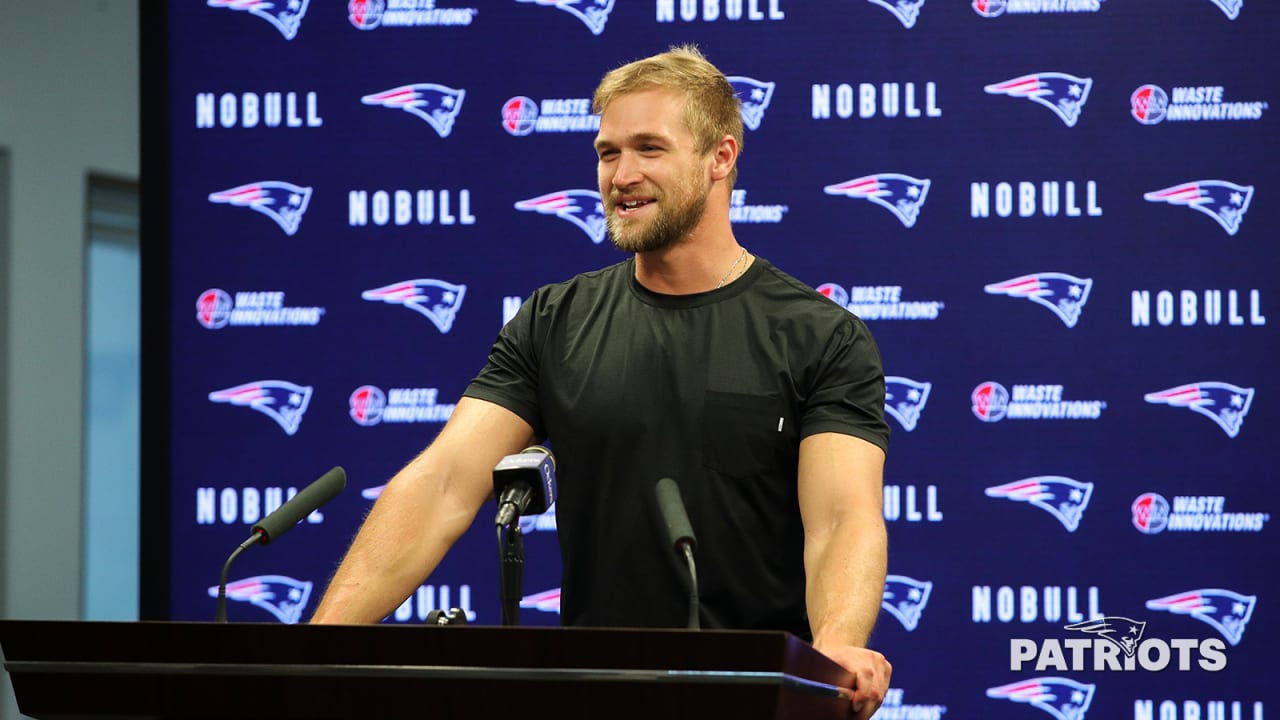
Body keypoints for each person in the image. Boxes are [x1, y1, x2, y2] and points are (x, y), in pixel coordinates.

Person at [312, 44, 892, 718]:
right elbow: (443, 483)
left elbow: (842, 519)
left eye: (649, 148)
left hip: (759, 697)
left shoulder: (819, 334)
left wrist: (838, 649)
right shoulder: (555, 321)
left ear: (721, 159)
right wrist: (316, 649)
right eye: (607, 152)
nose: (621, 174)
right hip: (595, 695)